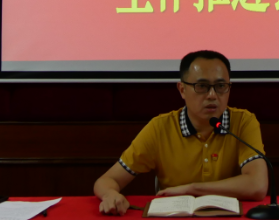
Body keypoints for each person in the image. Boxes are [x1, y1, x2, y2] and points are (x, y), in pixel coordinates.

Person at [93, 50, 269, 215]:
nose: (212, 95)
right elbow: (106, 180)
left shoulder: (243, 122)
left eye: (221, 86)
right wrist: (110, 194)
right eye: (202, 86)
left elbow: (257, 185)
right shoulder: (160, 128)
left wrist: (192, 189)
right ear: (182, 90)